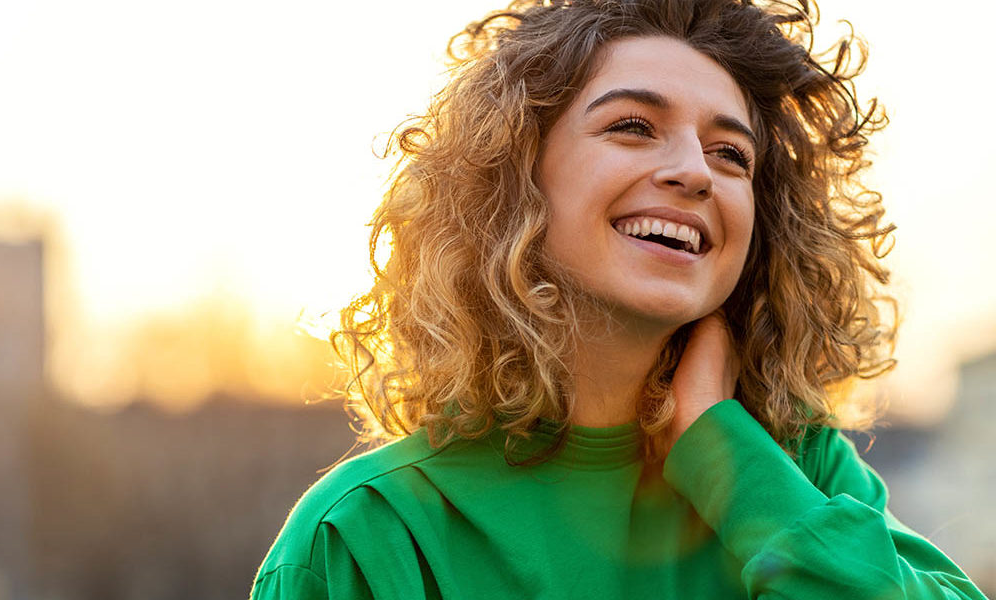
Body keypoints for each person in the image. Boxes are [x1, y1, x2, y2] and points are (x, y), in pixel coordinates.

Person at [252, 0, 990, 598]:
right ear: (513, 176)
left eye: (731, 154)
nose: (695, 172)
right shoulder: (365, 535)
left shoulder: (800, 474)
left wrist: (729, 464)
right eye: (633, 127)